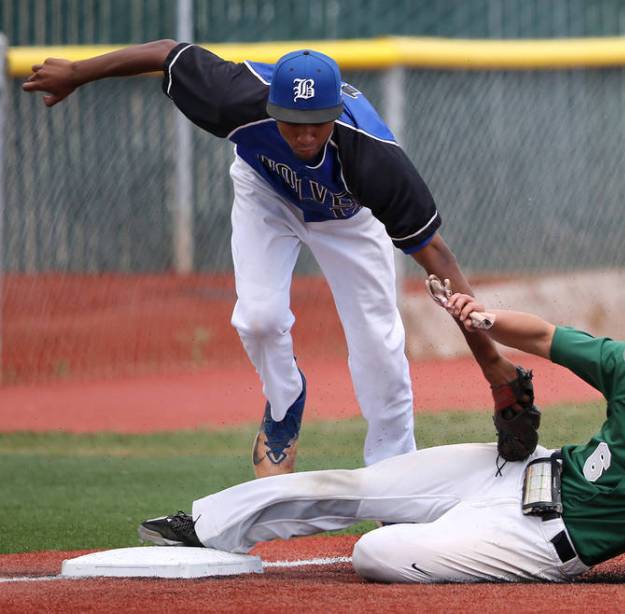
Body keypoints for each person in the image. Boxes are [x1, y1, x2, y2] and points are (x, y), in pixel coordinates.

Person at [136, 289, 625, 585]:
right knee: (357, 487)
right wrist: (481, 317)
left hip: (543, 542)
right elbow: (545, 337)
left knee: (375, 553)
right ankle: (204, 525)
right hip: (525, 470)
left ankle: (441, 539)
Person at [22, 40, 533, 477]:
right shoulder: (237, 98)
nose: (306, 136)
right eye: (293, 123)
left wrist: (490, 358)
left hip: (347, 219)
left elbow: (438, 257)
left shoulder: (373, 158)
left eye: (318, 124)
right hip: (267, 195)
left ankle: (392, 471)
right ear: (271, 108)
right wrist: (77, 73)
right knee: (259, 319)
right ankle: (285, 405)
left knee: (379, 343)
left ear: (336, 114)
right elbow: (166, 54)